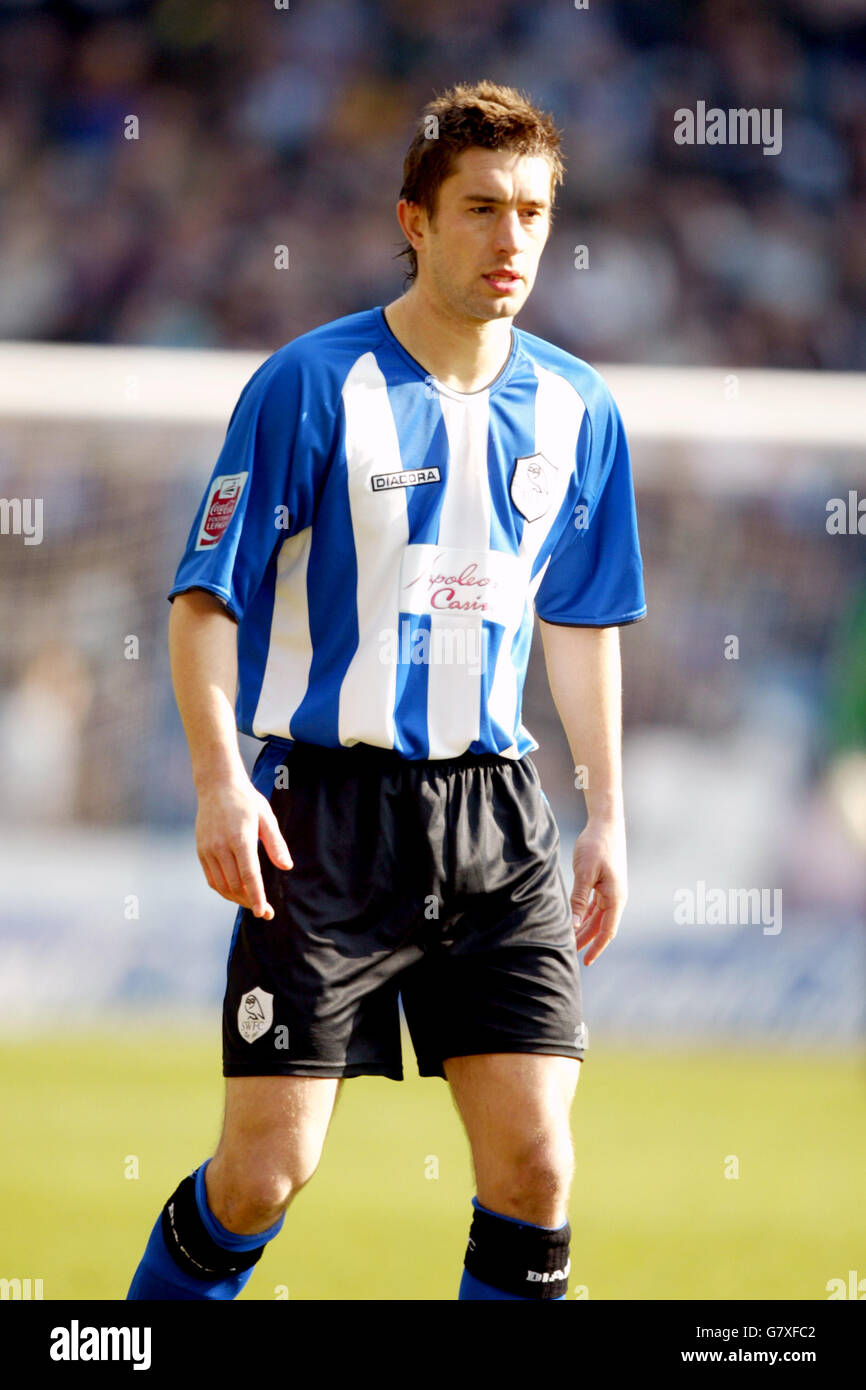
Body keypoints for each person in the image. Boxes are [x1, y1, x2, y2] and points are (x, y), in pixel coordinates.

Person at [127, 79, 646, 1302]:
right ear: (411, 219)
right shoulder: (310, 386)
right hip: (322, 820)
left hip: (498, 817)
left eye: (530, 211)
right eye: (478, 209)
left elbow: (580, 621)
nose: (510, 239)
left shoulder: (578, 407)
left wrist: (607, 812)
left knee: (533, 1166)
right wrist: (218, 782)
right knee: (264, 1173)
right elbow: (205, 601)